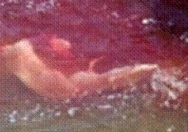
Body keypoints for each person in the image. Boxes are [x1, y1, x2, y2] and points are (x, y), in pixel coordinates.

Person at [0, 37, 157, 100]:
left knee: (70, 91)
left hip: (17, 55)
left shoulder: (16, 54)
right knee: (71, 91)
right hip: (20, 54)